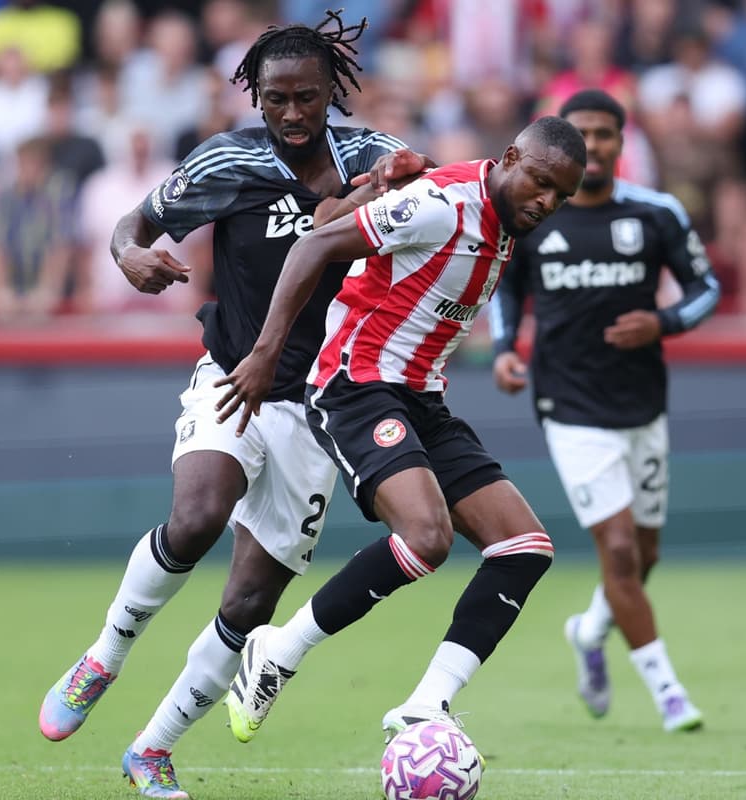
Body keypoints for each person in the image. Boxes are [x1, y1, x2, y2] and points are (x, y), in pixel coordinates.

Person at [36, 10, 430, 799]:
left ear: (331, 95)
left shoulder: (372, 158)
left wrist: (412, 182)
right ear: (254, 95)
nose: (292, 113)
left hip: (323, 405)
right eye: (277, 97)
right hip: (232, 374)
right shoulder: (226, 162)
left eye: (307, 98)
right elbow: (132, 223)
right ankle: (103, 657)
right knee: (196, 515)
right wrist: (130, 255)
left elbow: (438, 193)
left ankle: (152, 749)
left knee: (250, 600)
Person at [212, 115, 586, 745]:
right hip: (354, 386)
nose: (548, 202)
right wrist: (267, 351)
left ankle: (424, 706)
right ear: (512, 156)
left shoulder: (505, 224)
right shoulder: (441, 204)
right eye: (542, 183)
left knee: (524, 548)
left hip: (421, 400)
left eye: (562, 196)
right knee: (427, 536)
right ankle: (278, 651)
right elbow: (313, 245)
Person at [490, 90, 720, 732]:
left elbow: (708, 288)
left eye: (605, 134)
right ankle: (669, 691)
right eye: (582, 133)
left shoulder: (656, 213)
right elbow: (507, 284)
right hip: (568, 406)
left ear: (623, 141)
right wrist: (507, 350)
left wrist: (664, 321)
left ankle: (589, 632)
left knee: (643, 558)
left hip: (642, 404)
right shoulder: (534, 210)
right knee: (618, 552)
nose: (593, 146)